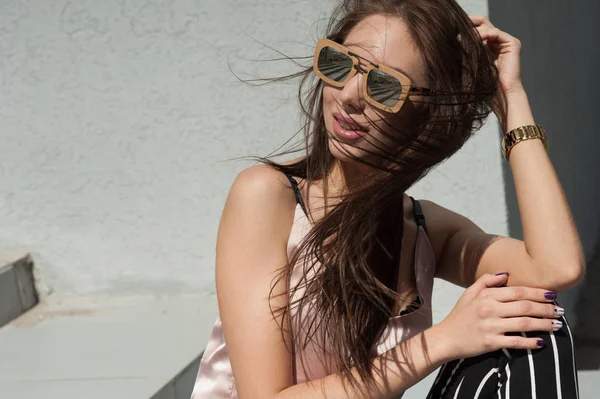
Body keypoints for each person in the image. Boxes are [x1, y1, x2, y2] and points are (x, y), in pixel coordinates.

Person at [191, 0, 584, 398]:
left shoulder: (424, 231)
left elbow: (557, 267)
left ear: (426, 111)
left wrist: (510, 97)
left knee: (534, 325)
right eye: (339, 64)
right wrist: (441, 341)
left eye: (384, 85)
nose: (349, 96)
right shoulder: (267, 196)